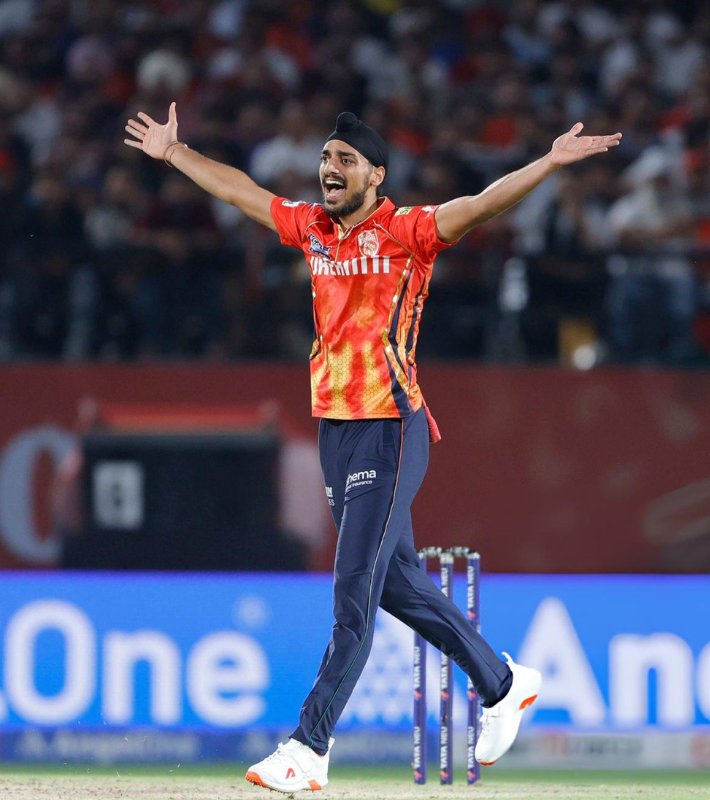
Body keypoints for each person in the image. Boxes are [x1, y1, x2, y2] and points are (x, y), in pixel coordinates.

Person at [125, 104, 621, 793]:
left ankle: (309, 744)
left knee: (353, 586)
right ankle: (504, 685)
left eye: (346, 160)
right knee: (394, 584)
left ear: (376, 175)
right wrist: (177, 154)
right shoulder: (313, 228)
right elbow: (243, 192)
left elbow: (480, 206)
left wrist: (548, 163)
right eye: (326, 158)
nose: (330, 169)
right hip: (335, 428)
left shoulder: (408, 231)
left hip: (390, 426)